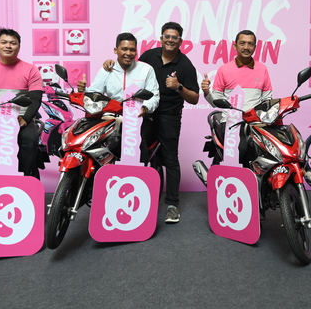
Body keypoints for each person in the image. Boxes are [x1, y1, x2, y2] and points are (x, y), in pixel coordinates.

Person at [103, 22, 199, 223]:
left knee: (170, 159)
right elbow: (128, 67)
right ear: (161, 37)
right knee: (135, 151)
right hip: (143, 113)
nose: (170, 40)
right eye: (167, 36)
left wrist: (178, 87)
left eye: (175, 37)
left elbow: (194, 98)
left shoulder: (185, 65)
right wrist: (110, 65)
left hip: (169, 116)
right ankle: (136, 196)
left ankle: (172, 204)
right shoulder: (148, 56)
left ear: (180, 41)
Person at [77, 32, 160, 161]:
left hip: (137, 118)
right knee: (91, 141)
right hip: (111, 116)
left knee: (139, 144)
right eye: (124, 49)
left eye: (132, 50)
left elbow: (154, 95)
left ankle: (140, 175)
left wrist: (145, 107)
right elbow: (94, 93)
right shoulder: (107, 69)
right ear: (116, 50)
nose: (129, 53)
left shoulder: (146, 69)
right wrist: (83, 90)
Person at [0, 27, 43, 176]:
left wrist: (25, 119)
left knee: (29, 141)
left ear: (19, 46)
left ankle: (23, 178)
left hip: (21, 117)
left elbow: (36, 99)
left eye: (13, 43)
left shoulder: (30, 70)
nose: (8, 46)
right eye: (4, 42)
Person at [200, 30, 273, 168]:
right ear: (235, 46)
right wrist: (206, 92)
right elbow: (216, 100)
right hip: (231, 122)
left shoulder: (262, 69)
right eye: (242, 43)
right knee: (244, 148)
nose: (246, 47)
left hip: (255, 123)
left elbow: (267, 99)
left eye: (250, 44)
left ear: (255, 47)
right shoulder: (224, 69)